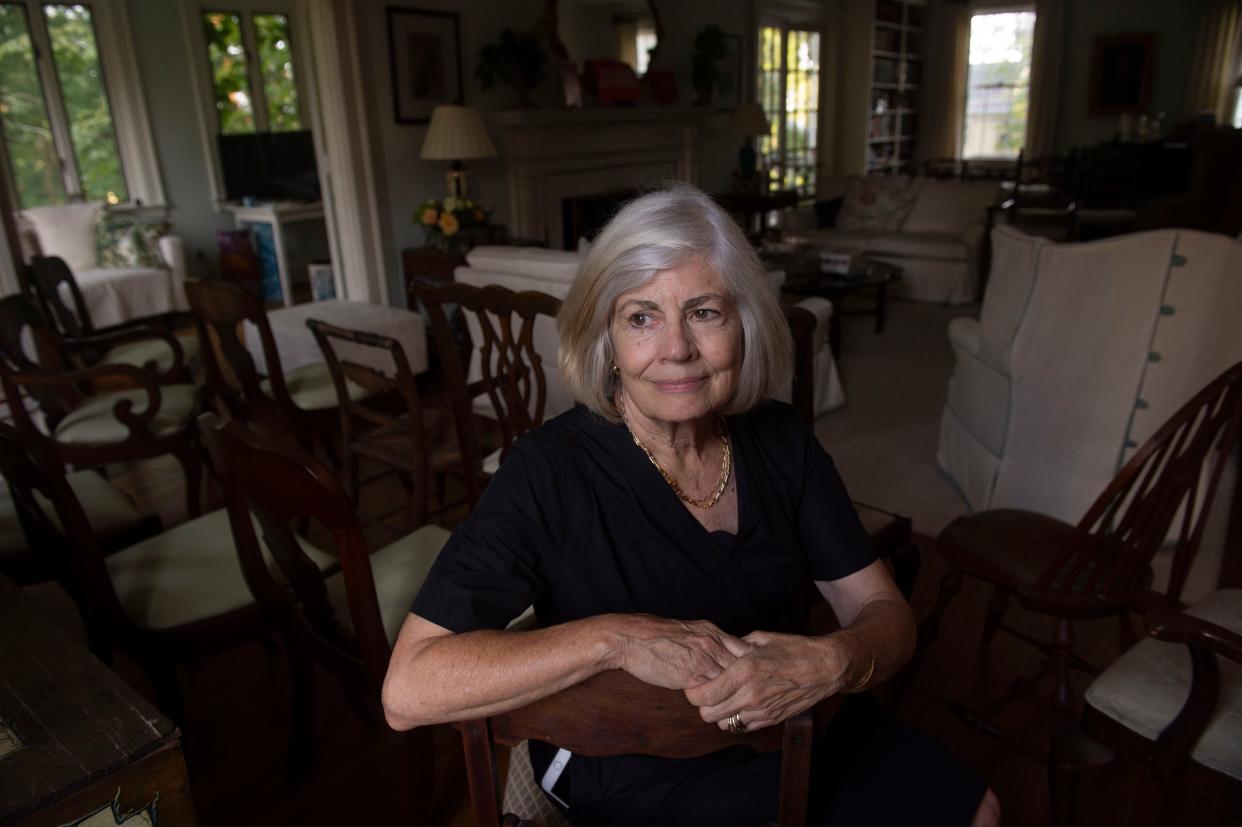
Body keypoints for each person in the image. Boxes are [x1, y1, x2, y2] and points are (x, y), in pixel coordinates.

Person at [383, 184, 1001, 826]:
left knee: (977, 811)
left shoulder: (782, 441)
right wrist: (613, 640)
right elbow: (409, 689)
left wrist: (831, 661)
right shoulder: (548, 471)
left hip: (785, 717)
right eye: (641, 318)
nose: (675, 349)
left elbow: (885, 615)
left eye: (705, 312)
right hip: (622, 754)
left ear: (746, 323)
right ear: (607, 340)